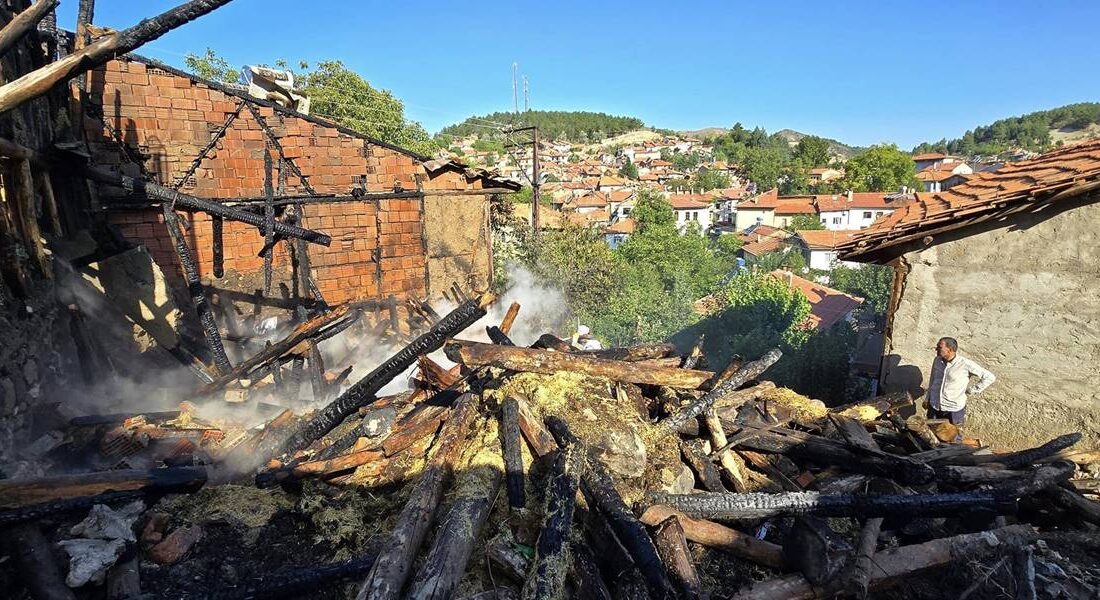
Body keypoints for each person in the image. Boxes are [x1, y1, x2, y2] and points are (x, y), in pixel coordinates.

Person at [925, 337, 996, 431]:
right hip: (934, 406)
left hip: (953, 409)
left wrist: (971, 390)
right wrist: (927, 398)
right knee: (931, 436)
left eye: (939, 347)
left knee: (954, 438)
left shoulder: (965, 364)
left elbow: (989, 377)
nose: (936, 349)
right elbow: (933, 379)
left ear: (950, 349)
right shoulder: (937, 361)